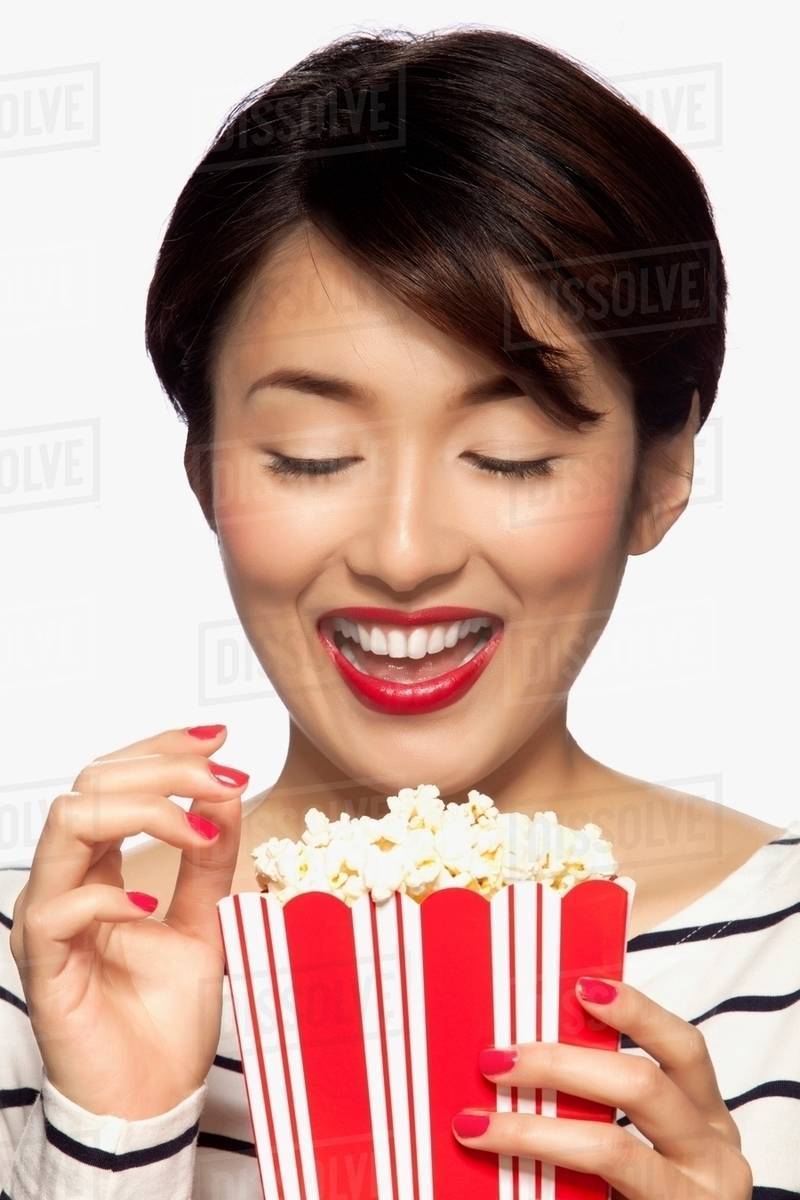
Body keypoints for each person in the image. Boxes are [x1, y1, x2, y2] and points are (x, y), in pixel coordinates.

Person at [2, 26, 797, 1200]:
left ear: (660, 474)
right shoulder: (45, 971)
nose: (404, 554)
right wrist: (117, 1139)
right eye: (311, 456)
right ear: (205, 474)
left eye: (510, 454)